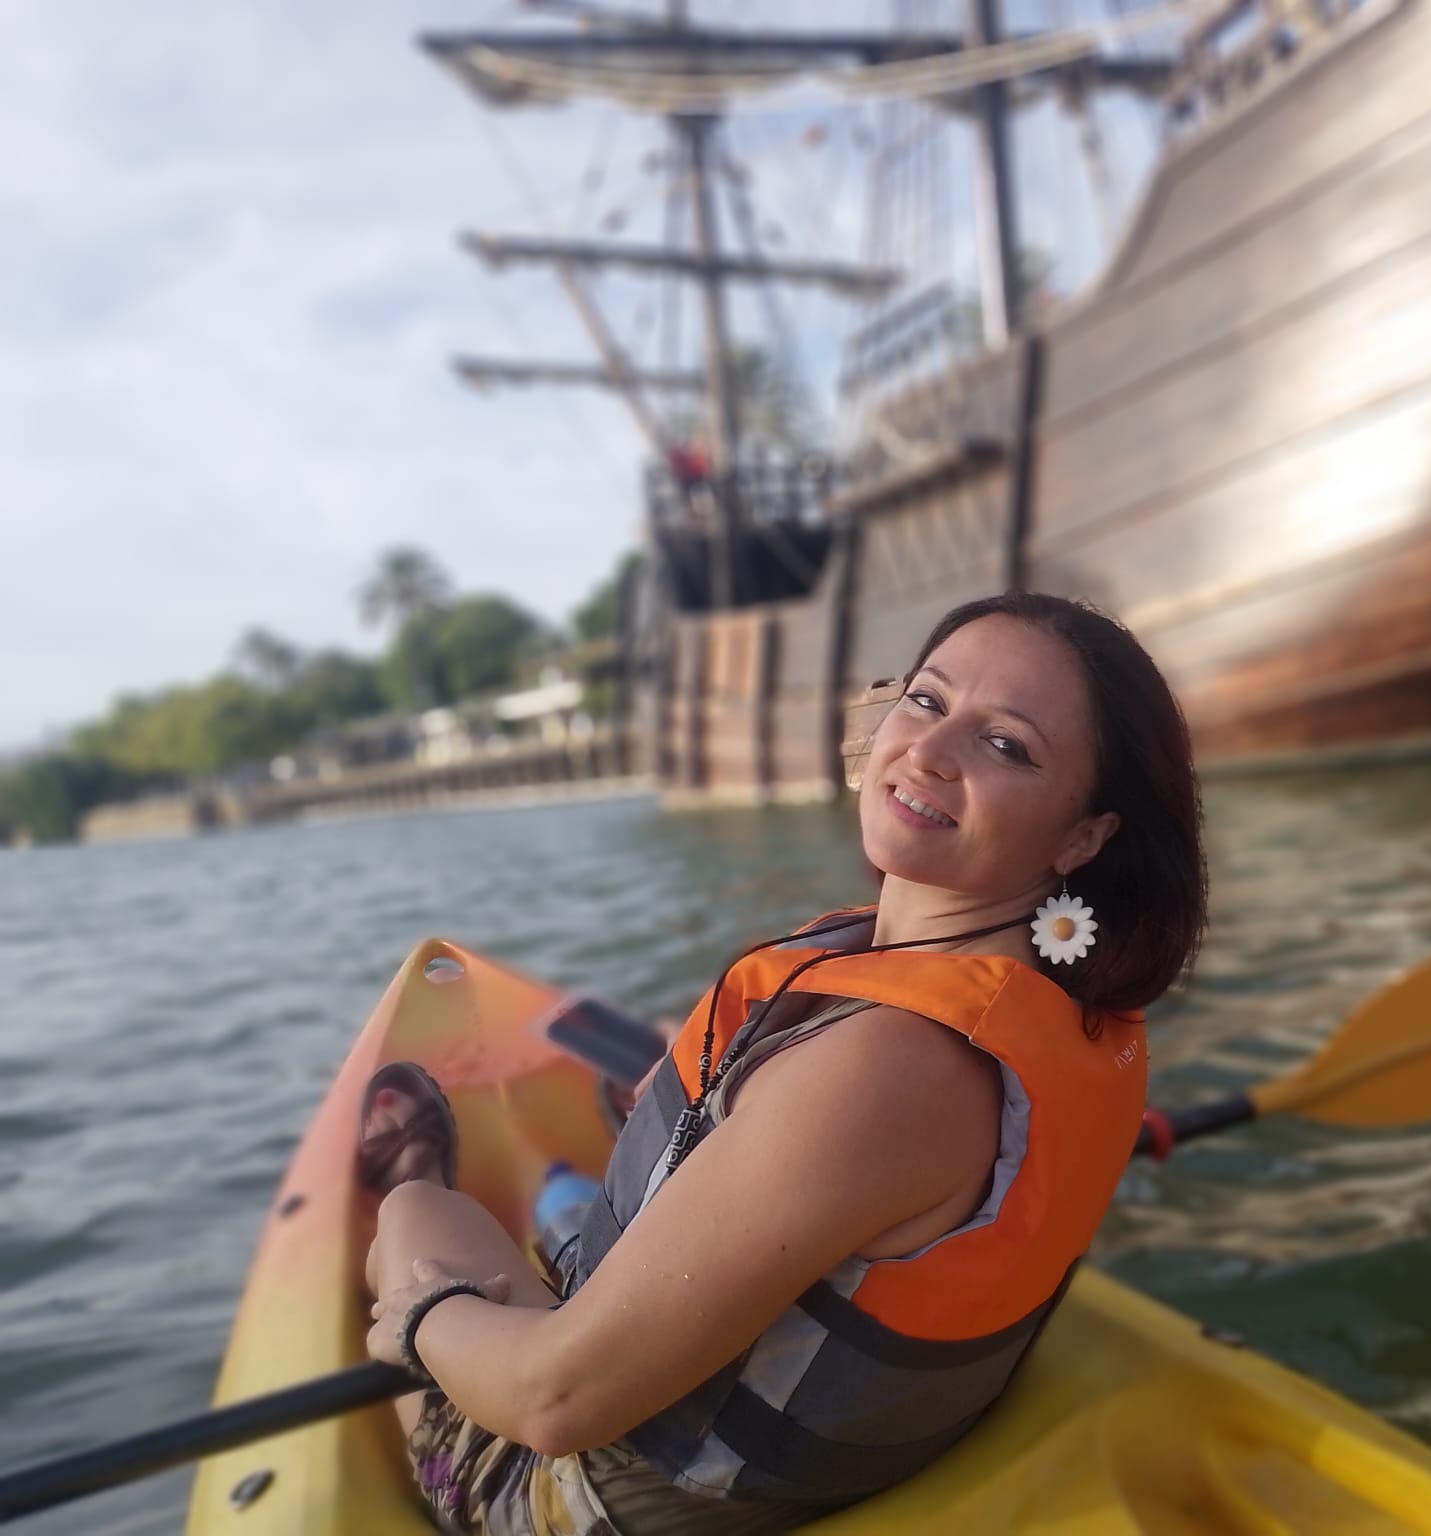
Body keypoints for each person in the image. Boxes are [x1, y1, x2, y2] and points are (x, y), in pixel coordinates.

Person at [356, 592, 1208, 1534]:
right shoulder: (1067, 1001)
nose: (928, 751)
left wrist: (425, 1317)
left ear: (1085, 834)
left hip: (603, 1495)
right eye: (926, 700)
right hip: (847, 1437)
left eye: (1006, 745)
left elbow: (555, 1403)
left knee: (417, 1217)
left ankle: (418, 1225)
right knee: (571, 1210)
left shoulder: (893, 1067)